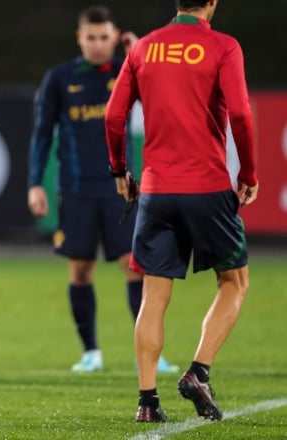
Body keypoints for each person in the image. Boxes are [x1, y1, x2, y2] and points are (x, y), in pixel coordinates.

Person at [105, 0, 258, 422]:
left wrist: (120, 169)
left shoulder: (145, 48)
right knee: (234, 281)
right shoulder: (224, 46)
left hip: (156, 189)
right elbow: (242, 113)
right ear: (212, 3)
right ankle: (198, 371)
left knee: (154, 295)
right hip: (206, 185)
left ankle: (147, 402)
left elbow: (115, 116)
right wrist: (248, 171)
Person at [27, 6, 177, 374]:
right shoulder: (61, 78)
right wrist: (34, 183)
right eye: (91, 37)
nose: (97, 45)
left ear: (115, 37)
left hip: (119, 189)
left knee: (133, 267)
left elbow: (164, 95)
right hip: (76, 190)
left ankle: (150, 352)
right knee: (80, 270)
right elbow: (42, 133)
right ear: (80, 38)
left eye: (104, 37)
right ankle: (91, 352)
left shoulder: (129, 71)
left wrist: (138, 54)